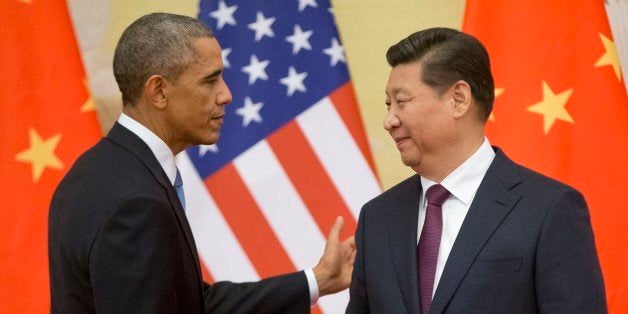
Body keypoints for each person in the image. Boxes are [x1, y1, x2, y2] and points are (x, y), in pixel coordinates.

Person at [49, 13, 355, 313]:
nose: (226, 95)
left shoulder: (96, 170)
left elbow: (194, 304)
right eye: (210, 81)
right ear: (158, 91)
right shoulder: (137, 202)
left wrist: (318, 280)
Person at [346, 28, 606, 313]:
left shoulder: (548, 209)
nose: (389, 120)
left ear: (458, 99)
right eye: (388, 104)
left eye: (402, 102)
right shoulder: (377, 218)